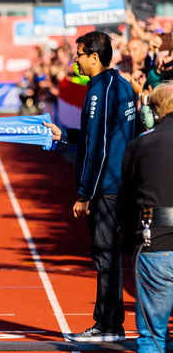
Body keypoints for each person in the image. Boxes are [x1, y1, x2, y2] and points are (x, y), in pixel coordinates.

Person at [43, 30, 136, 342]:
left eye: (79, 55)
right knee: (107, 255)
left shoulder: (102, 90)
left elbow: (101, 146)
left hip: (106, 187)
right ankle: (109, 324)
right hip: (115, 185)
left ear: (95, 58)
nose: (75, 61)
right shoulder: (117, 85)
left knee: (105, 255)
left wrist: (85, 193)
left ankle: (108, 326)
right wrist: (65, 135)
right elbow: (95, 135)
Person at [117, 82, 173, 353]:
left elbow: (125, 199)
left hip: (155, 243)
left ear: (152, 111)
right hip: (156, 243)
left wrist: (126, 238)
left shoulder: (140, 145)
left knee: (152, 337)